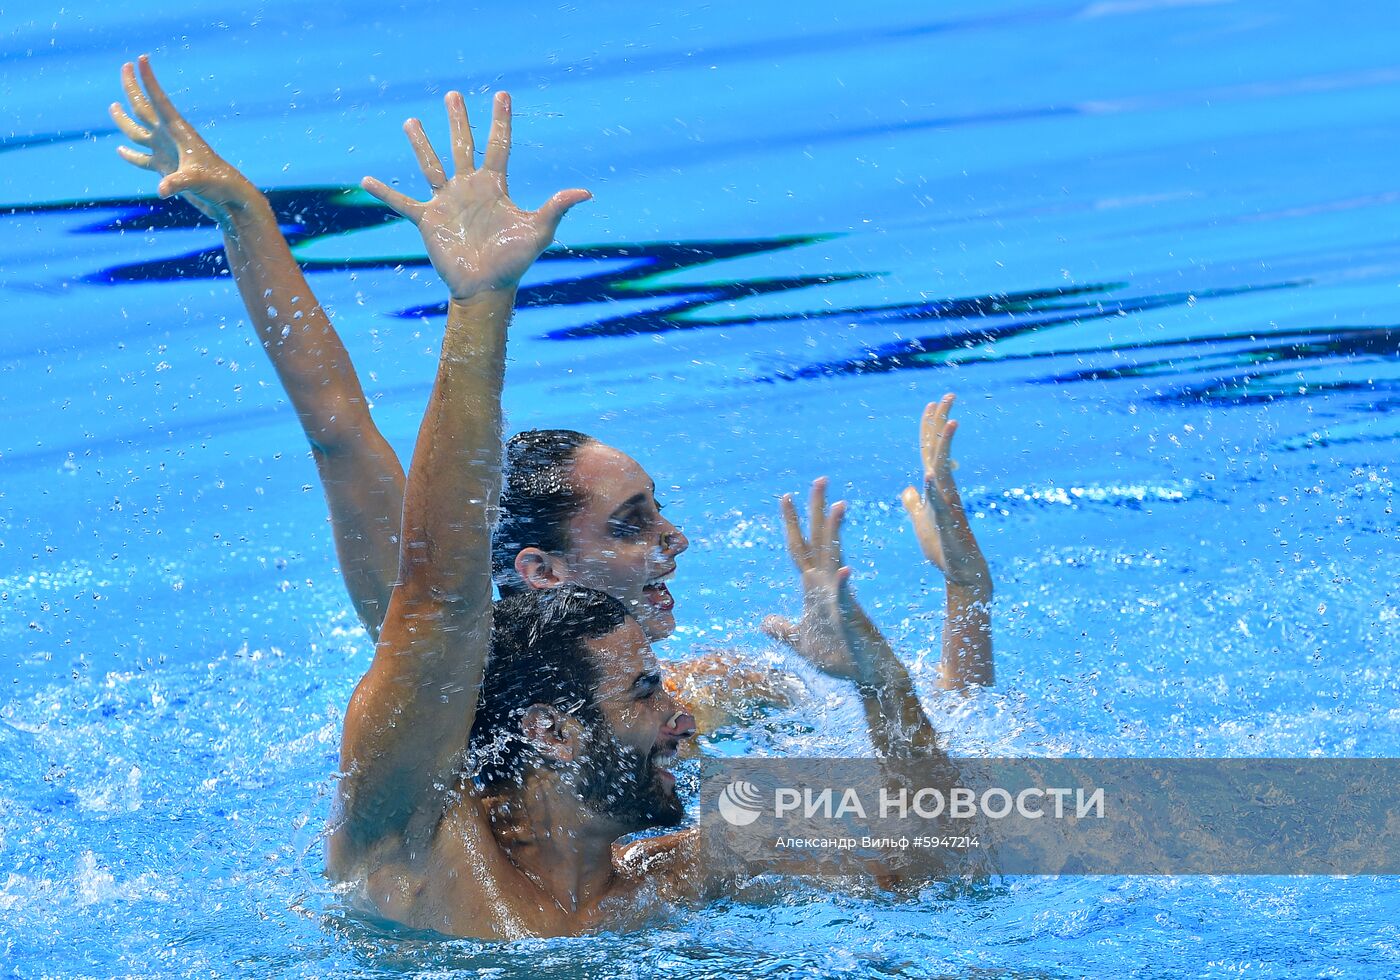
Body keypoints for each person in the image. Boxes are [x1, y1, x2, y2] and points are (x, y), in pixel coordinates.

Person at [115, 59, 983, 937]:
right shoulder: (425, 832)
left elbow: (951, 863)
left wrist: (895, 669)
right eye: (647, 691)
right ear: (551, 728)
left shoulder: (674, 872)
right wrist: (473, 300)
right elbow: (405, 540)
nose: (675, 542)